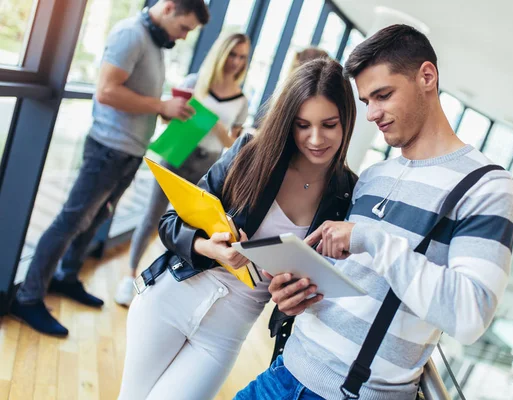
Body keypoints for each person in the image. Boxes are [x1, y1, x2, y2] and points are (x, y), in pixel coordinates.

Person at [235, 24, 513, 400]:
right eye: (366, 100)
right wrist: (296, 295)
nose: (371, 113)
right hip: (285, 371)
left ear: (427, 77)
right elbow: (351, 280)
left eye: (383, 95)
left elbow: (468, 317)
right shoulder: (372, 176)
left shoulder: (487, 187)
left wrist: (370, 239)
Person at [118, 58, 357, 400]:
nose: (315, 139)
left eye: (329, 124)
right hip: (171, 297)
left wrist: (296, 297)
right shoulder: (251, 152)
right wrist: (210, 248)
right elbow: (170, 223)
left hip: (226, 331)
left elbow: (329, 286)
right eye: (302, 125)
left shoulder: (346, 194)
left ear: (346, 120)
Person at [9, 0, 209, 336]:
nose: (185, 36)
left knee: (96, 216)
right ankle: (28, 298)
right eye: (184, 27)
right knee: (71, 220)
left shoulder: (152, 40)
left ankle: (66, 276)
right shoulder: (130, 34)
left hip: (127, 151)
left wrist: (162, 110)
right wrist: (160, 104)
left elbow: (132, 93)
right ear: (170, 7)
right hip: (107, 150)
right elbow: (105, 91)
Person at [114, 32, 251, 307]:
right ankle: (128, 276)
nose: (236, 61)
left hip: (207, 165)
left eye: (242, 57)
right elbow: (168, 118)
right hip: (178, 156)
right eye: (233, 54)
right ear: (221, 53)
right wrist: (179, 113)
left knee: (185, 227)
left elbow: (234, 144)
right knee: (153, 216)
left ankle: (160, 280)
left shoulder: (241, 101)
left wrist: (213, 124)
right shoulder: (194, 82)